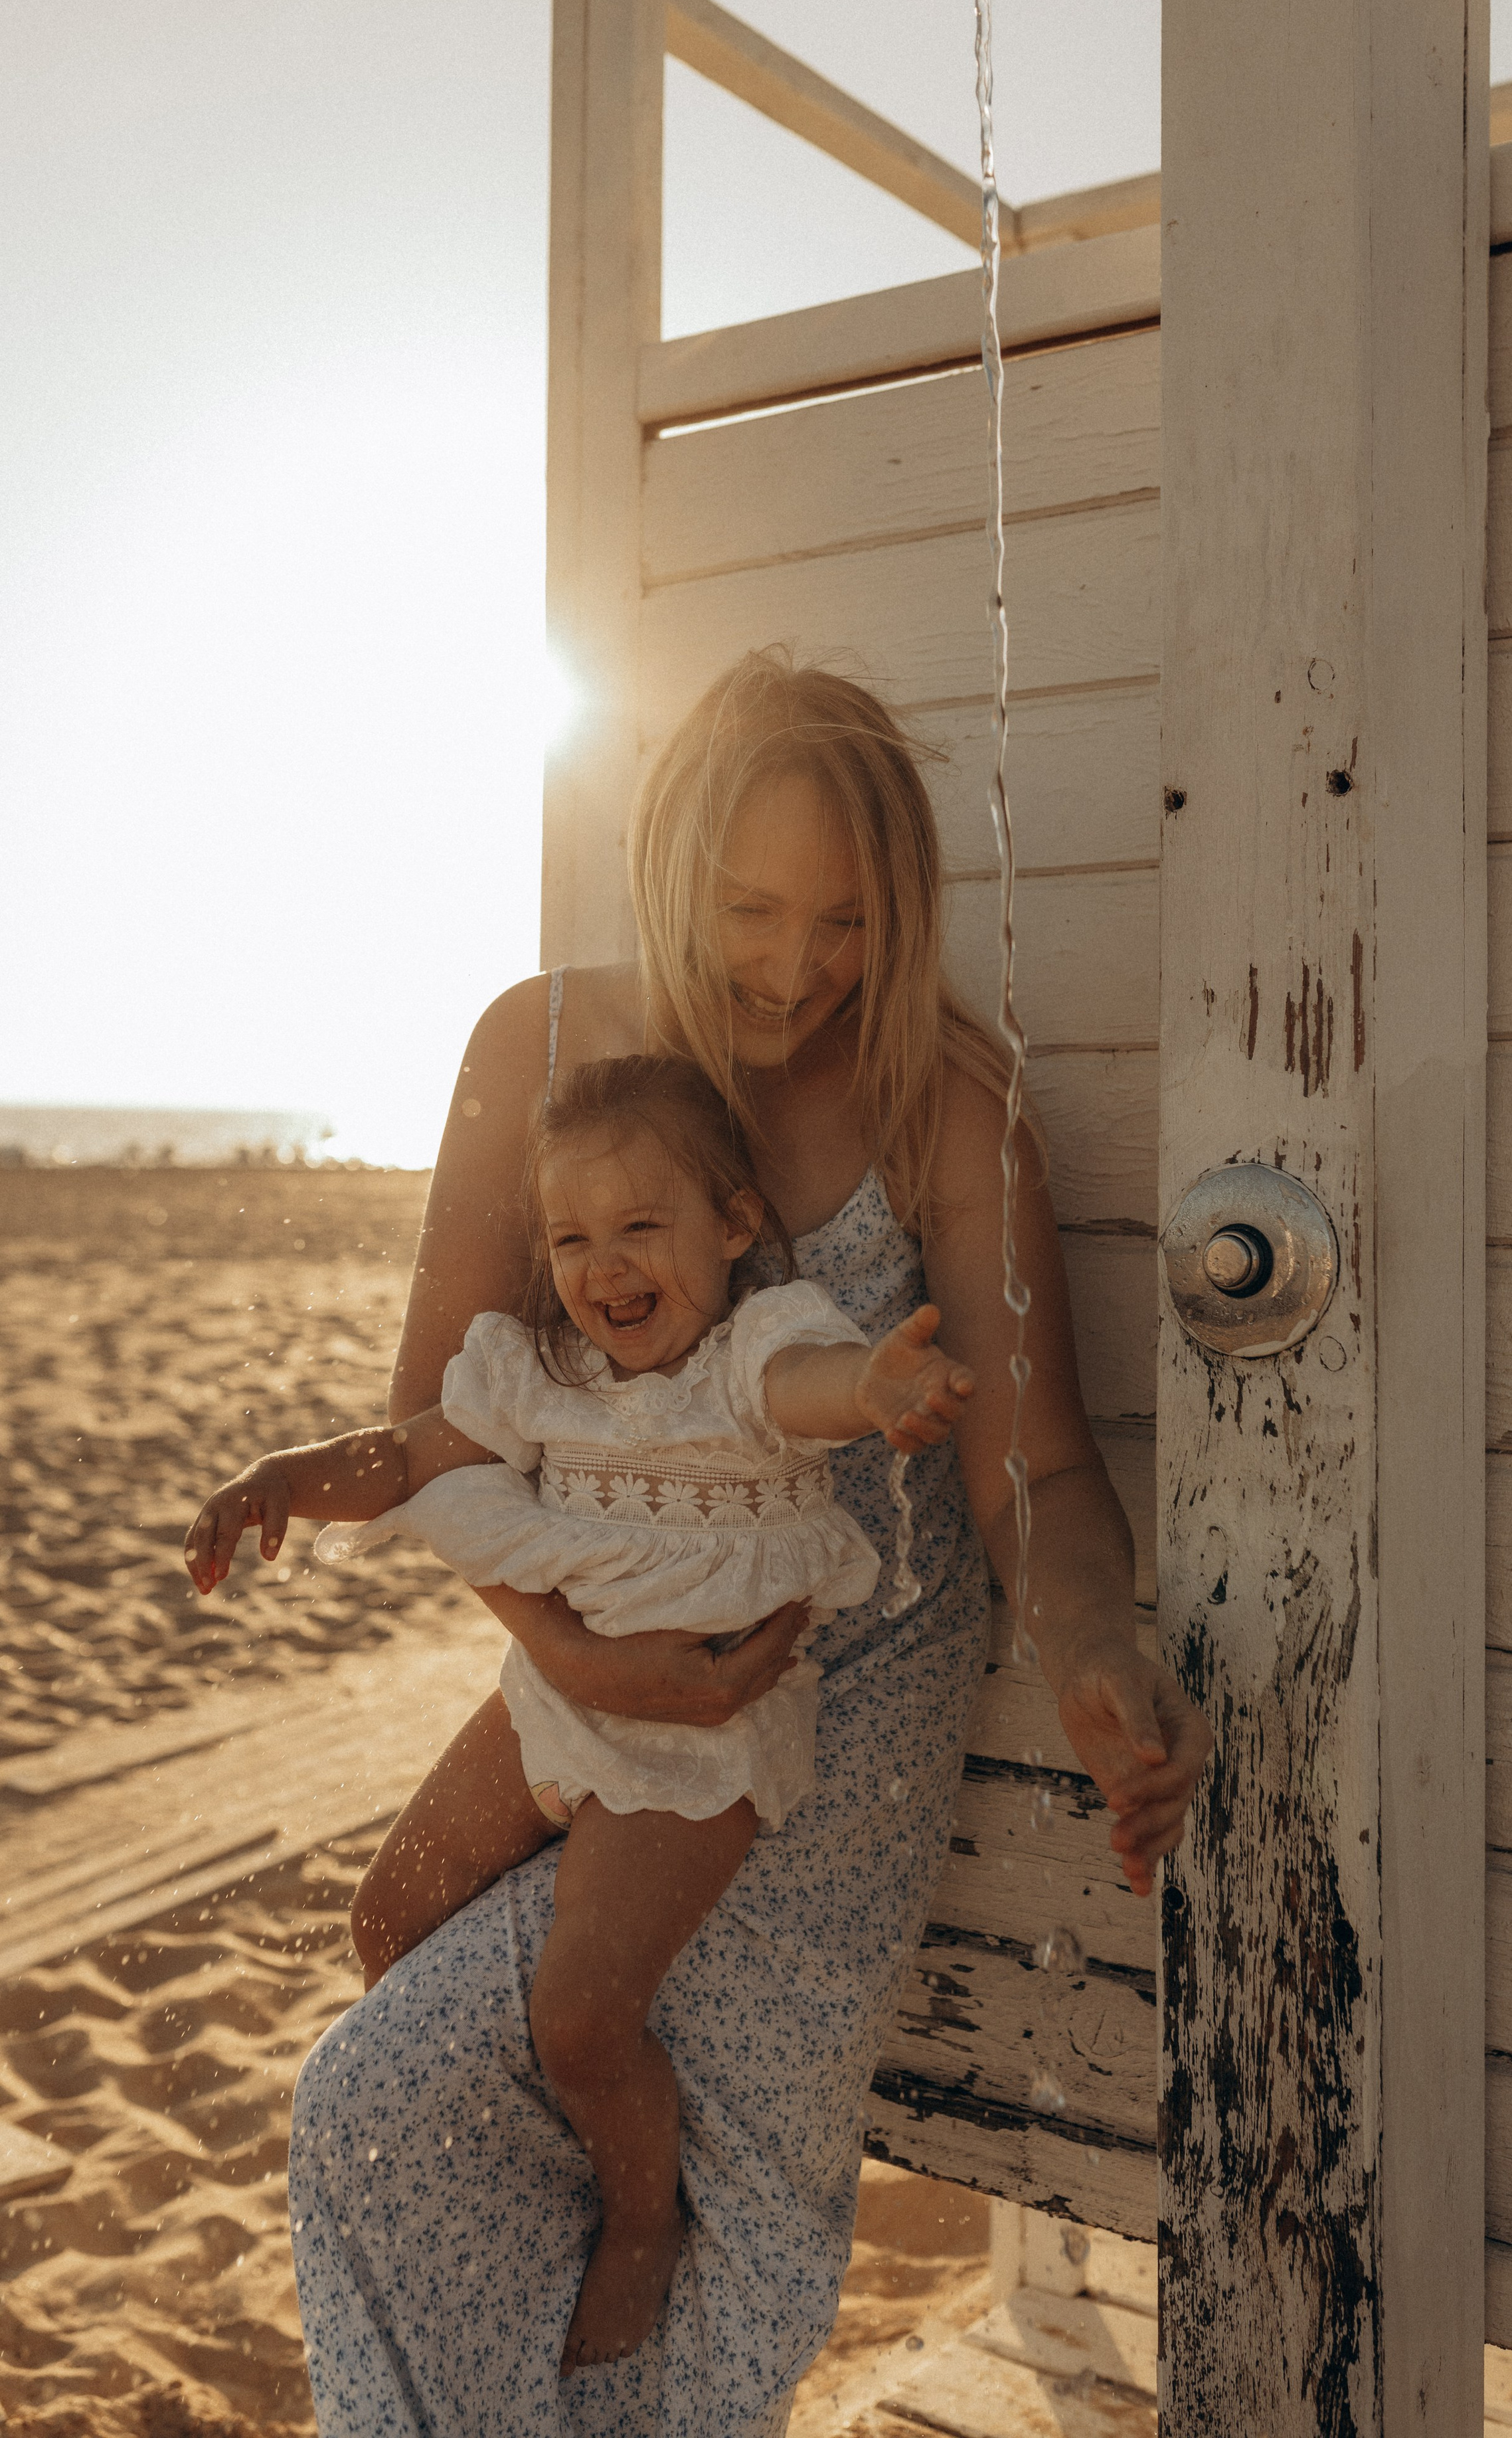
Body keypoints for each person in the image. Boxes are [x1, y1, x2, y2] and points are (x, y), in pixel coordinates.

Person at [286, 651, 1212, 2437]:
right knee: (394, 2023)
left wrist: (1099, 1648)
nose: (799, 970)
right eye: (752, 911)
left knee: (605, 2161)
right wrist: (570, 1652)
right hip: (595, 1679)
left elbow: (1042, 1477)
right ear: (666, 863)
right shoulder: (534, 1049)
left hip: (823, 1742)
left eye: (852, 922)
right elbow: (438, 1421)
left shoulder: (948, 1103)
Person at [185, 1053, 975, 2374]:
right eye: (571, 1238)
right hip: (556, 1705)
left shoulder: (749, 1350)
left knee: (580, 2014)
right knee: (382, 1921)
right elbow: (410, 1456)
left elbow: (813, 1389)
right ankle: (556, 2138)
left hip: (699, 1744)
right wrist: (281, 1478)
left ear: (730, 1229)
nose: (605, 1268)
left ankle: (637, 2215)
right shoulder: (532, 1369)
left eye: (640, 1229)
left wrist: (879, 1394)